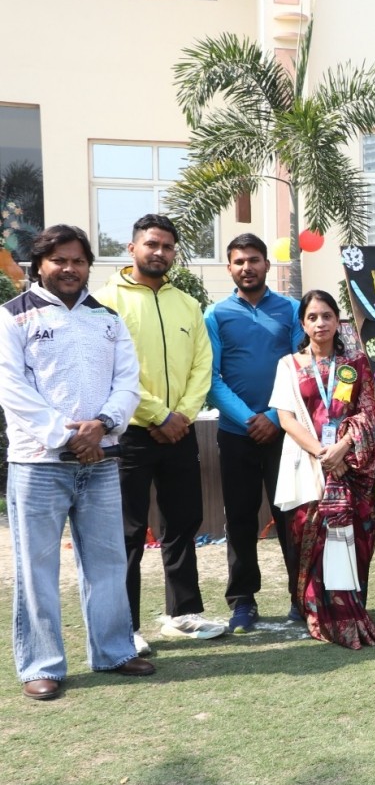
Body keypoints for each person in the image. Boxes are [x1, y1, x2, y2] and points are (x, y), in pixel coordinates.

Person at [0, 224, 154, 700]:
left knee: (108, 563)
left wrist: (103, 425)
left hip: (101, 461)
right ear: (39, 265)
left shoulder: (107, 319)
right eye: (59, 260)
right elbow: (12, 389)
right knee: (37, 570)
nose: (69, 269)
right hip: (39, 464)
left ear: (89, 266)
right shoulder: (13, 316)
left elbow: (128, 382)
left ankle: (114, 651)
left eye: (78, 261)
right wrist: (66, 437)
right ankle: (41, 665)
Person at [94, 214, 223, 655]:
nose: (160, 252)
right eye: (152, 244)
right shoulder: (105, 301)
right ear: (132, 248)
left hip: (180, 433)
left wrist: (182, 415)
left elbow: (202, 365)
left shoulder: (186, 304)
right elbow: (111, 372)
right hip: (128, 433)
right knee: (127, 532)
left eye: (167, 246)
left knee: (183, 522)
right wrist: (159, 414)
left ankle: (182, 614)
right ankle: (124, 626)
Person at [270, 290, 375, 649]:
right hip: (308, 463)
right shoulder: (289, 365)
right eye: (312, 317)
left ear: (337, 320)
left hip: (351, 465)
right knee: (310, 535)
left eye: (327, 316)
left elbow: (368, 412)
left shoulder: (355, 364)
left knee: (356, 533)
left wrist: (343, 448)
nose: (320, 323)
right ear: (303, 324)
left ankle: (350, 606)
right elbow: (286, 418)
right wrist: (322, 453)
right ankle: (318, 611)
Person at [206, 233, 302, 632]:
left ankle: (301, 596)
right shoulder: (215, 315)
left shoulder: (292, 310)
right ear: (229, 267)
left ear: (266, 264)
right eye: (239, 261)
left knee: (292, 517)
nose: (247, 267)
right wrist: (251, 419)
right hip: (236, 434)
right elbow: (212, 379)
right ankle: (243, 600)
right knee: (241, 519)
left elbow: (302, 367)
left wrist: (274, 418)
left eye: (254, 260)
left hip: (286, 432)